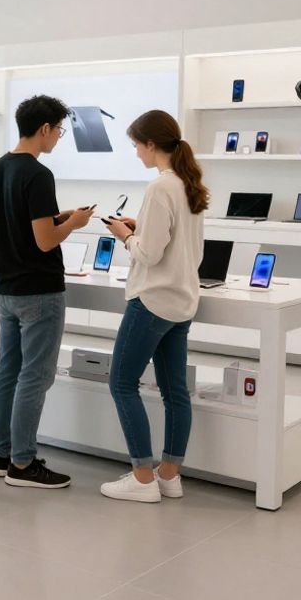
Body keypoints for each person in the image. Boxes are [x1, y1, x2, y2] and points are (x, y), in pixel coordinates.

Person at [0, 95, 91, 489]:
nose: (59, 136)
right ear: (44, 128)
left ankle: (3, 455)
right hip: (40, 291)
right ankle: (24, 464)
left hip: (7, 288)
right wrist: (73, 224)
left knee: (7, 372)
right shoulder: (38, 174)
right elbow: (45, 241)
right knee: (35, 376)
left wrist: (58, 218)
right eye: (59, 130)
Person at [100, 111, 207, 503]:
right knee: (175, 391)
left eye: (136, 145)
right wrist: (141, 228)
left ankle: (142, 478)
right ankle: (169, 475)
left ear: (150, 144)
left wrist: (125, 235)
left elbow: (149, 254)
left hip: (152, 301)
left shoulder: (160, 188)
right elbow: (181, 245)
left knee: (121, 383)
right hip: (182, 301)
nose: (135, 153)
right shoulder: (188, 184)